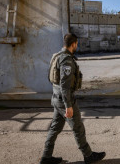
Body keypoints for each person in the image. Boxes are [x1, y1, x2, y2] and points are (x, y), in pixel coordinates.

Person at [40, 33, 106, 164]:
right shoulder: (66, 60)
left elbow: (53, 79)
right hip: (64, 99)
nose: (77, 46)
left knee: (55, 128)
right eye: (77, 44)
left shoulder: (56, 56)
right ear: (73, 44)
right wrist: (68, 105)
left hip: (56, 98)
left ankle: (46, 157)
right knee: (78, 128)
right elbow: (64, 86)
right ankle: (88, 155)